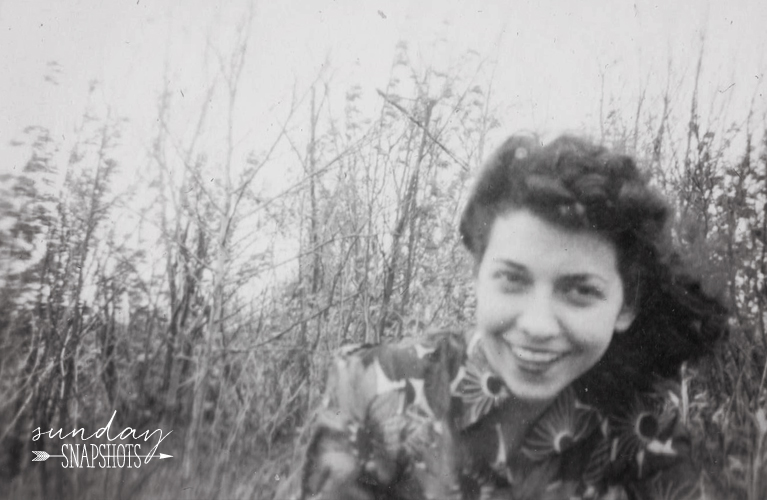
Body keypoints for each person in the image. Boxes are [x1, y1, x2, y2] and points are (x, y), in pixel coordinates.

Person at [280, 135, 727, 500]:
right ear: (478, 277)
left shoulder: (643, 431)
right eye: (512, 280)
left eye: (580, 291)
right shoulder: (379, 385)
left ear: (625, 306)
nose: (537, 325)